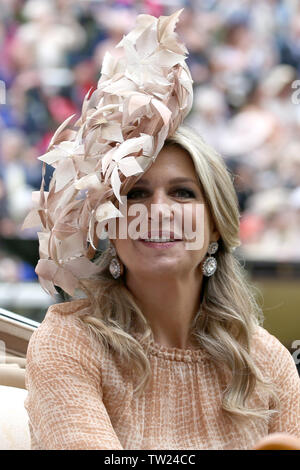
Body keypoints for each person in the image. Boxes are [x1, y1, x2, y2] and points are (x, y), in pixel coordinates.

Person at [24, 10, 300, 450]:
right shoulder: (69, 341)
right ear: (111, 227)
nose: (158, 210)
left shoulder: (268, 361)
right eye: (136, 194)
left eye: (184, 193)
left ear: (215, 226)